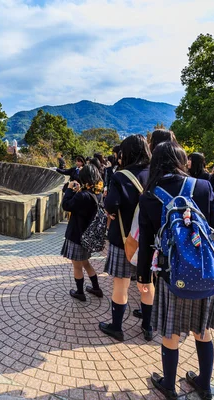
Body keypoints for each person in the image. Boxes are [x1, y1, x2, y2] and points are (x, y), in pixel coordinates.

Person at [137, 141, 214, 399]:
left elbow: (147, 242)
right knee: (201, 330)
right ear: (182, 160)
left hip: (171, 274)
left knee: (171, 331)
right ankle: (204, 384)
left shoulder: (149, 195)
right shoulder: (202, 187)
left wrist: (143, 278)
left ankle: (168, 385)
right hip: (206, 271)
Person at [99, 134, 153, 342]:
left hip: (124, 239)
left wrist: (110, 210)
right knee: (147, 283)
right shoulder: (155, 174)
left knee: (121, 284)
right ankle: (148, 327)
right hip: (149, 240)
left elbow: (111, 205)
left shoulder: (121, 176)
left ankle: (116, 327)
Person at [61, 164, 104, 301]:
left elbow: (66, 205)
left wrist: (69, 189)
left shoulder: (82, 196)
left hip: (77, 236)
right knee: (85, 263)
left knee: (77, 266)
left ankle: (80, 292)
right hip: (87, 236)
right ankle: (96, 288)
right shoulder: (97, 194)